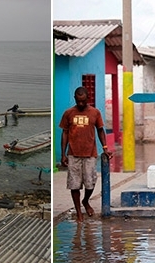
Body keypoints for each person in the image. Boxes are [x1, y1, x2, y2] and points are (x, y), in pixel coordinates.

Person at [60, 87, 112, 222]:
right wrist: (63, 154)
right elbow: (65, 133)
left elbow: (100, 130)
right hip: (73, 154)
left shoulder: (95, 113)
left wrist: (105, 148)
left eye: (83, 101)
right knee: (74, 185)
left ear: (87, 99)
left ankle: (86, 201)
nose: (81, 104)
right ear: (75, 99)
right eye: (78, 101)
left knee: (90, 183)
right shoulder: (68, 113)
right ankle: (79, 213)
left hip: (90, 153)